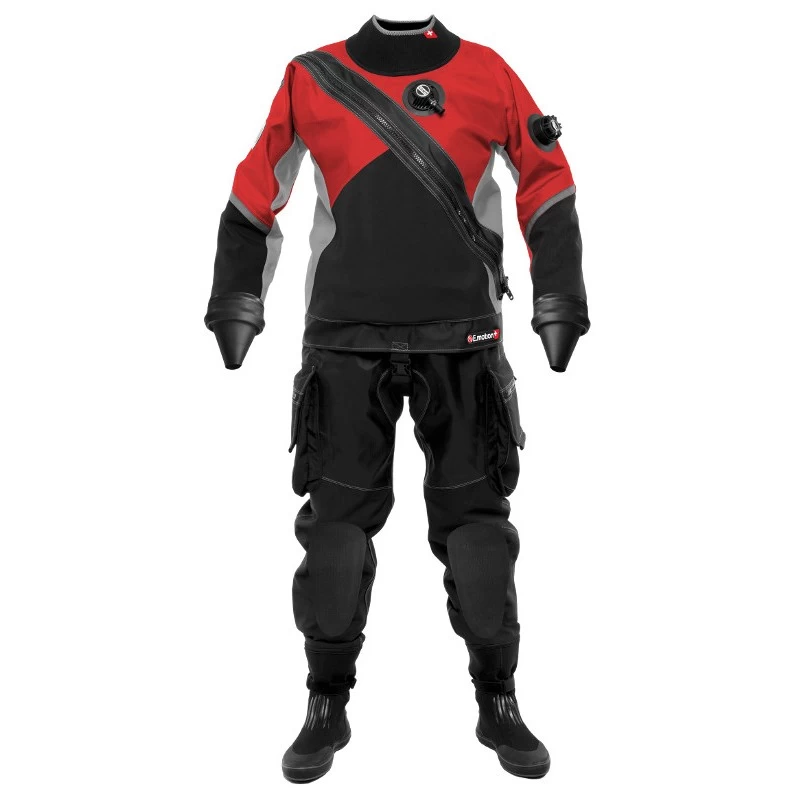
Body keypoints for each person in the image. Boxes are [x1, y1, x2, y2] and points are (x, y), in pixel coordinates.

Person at [205, 15, 590, 783]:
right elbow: (255, 190)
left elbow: (547, 177)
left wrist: (559, 299)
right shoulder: (309, 76)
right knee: (336, 531)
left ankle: (499, 697)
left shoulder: (489, 73)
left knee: (478, 528)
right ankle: (326, 702)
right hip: (344, 339)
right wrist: (236, 300)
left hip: (464, 339)